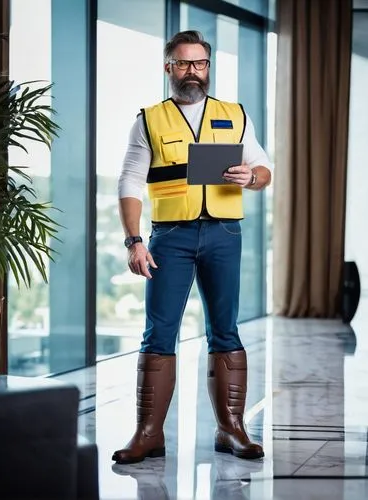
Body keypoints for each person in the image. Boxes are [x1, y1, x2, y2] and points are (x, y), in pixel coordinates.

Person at [112, 30, 271, 465]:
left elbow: (264, 167)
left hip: (224, 235)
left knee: (226, 330)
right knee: (158, 333)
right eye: (183, 64)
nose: (192, 72)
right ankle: (148, 434)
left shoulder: (235, 114)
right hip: (170, 239)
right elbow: (128, 182)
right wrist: (134, 240)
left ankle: (231, 429)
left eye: (199, 63)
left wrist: (252, 177)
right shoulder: (149, 119)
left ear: (208, 67)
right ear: (169, 69)